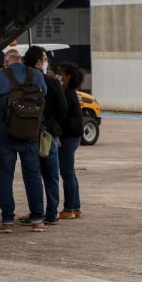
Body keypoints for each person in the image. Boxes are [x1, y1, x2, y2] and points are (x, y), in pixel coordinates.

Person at [0, 46, 47, 233]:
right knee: (33, 175)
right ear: (20, 60)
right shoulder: (36, 75)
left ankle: (7, 221)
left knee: (6, 176)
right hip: (30, 133)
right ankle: (37, 220)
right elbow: (44, 93)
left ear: (6, 62)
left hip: (7, 135)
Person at [19, 46, 67, 226]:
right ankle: (52, 214)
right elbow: (63, 108)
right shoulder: (51, 81)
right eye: (45, 58)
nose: (46, 62)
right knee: (51, 175)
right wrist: (51, 122)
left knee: (32, 176)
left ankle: (36, 213)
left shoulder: (21, 80)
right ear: (39, 62)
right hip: (48, 134)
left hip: (26, 133)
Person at [57, 62, 84, 220]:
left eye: (60, 73)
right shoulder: (69, 92)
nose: (58, 76)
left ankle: (68, 209)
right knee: (70, 173)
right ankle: (76, 207)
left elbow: (61, 116)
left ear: (67, 77)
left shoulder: (67, 94)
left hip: (68, 138)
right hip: (72, 137)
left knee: (66, 173)